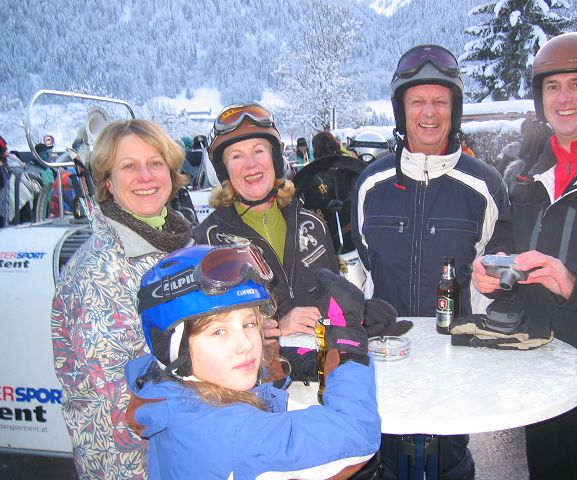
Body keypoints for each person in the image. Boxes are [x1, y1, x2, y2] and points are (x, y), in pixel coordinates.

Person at [471, 32, 577, 480]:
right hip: (543, 379)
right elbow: (506, 241)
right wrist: (493, 269)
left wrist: (573, 282)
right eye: (552, 87)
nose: (563, 98)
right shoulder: (530, 174)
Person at [351, 44, 510, 480]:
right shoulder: (371, 183)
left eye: (440, 101)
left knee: (449, 466)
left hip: (454, 363)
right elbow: (366, 263)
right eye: (417, 101)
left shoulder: (485, 185)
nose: (429, 112)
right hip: (387, 359)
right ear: (400, 110)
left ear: (454, 110)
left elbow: (498, 274)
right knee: (386, 465)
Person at [124, 244, 381, 479]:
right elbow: (356, 432)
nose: (246, 345)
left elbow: (266, 366)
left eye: (249, 324)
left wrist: (316, 361)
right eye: (219, 331)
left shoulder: (168, 388)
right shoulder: (235, 435)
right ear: (173, 347)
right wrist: (348, 343)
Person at [50, 119, 193, 479]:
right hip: (133, 460)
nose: (145, 176)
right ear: (108, 182)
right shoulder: (99, 268)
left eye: (155, 163)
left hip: (183, 446)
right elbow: (123, 394)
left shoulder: (176, 246)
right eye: (129, 166)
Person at [193, 102, 340, 341]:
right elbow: (207, 334)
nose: (251, 164)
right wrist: (272, 329)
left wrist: (361, 312)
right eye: (236, 156)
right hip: (258, 363)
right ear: (224, 171)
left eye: (258, 151)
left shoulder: (312, 224)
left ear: (275, 159)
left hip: (323, 357)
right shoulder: (207, 242)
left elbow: (337, 301)